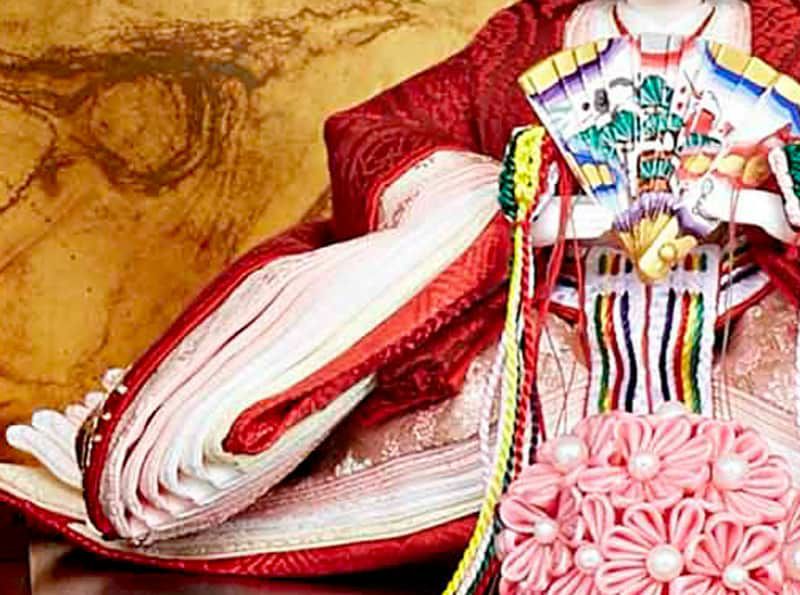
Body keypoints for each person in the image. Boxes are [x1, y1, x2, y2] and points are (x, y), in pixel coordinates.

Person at [1, 0, 798, 585]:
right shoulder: (526, 39)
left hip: (739, 328)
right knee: (474, 462)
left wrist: (758, 203)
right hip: (555, 332)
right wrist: (518, 207)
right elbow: (378, 134)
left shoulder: (783, 34)